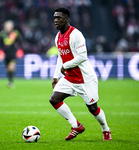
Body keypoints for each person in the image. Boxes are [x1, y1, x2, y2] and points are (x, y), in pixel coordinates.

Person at [49, 7, 111, 141]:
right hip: (70, 77)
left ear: (66, 19)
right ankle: (76, 126)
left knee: (93, 108)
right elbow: (61, 56)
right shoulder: (58, 37)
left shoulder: (76, 34)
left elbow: (82, 56)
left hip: (85, 78)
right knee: (54, 99)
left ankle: (105, 129)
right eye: (54, 18)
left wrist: (66, 66)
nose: (55, 20)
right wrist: (55, 76)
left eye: (59, 18)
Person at [0, 20, 22, 88]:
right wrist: (0, 51)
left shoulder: (15, 33)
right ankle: (9, 80)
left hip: (13, 53)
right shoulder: (2, 34)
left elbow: (20, 41)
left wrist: (19, 49)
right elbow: (0, 44)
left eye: (9, 26)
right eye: (7, 26)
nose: (8, 27)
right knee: (7, 69)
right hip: (5, 54)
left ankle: (11, 82)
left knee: (11, 67)